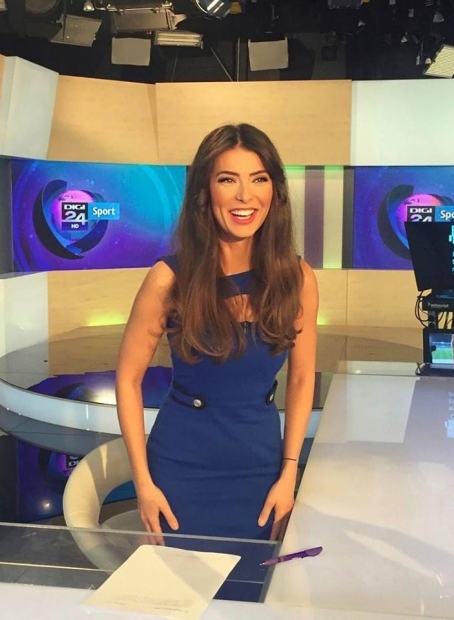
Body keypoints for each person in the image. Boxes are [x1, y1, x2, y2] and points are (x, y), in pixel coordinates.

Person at [115, 123, 319, 541]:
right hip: (181, 471)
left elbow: (301, 379)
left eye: (258, 179)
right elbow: (128, 379)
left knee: (254, 579)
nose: (245, 195)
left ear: (274, 191)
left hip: (262, 471)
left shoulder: (297, 278)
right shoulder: (169, 279)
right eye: (228, 180)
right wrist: (143, 484)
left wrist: (289, 473)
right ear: (205, 192)